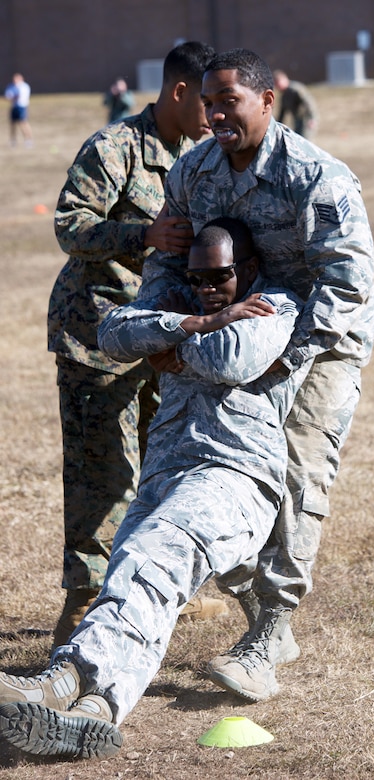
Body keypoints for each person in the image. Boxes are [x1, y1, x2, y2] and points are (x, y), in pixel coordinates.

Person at [0, 218, 313, 760]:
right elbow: (114, 332)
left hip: (234, 476)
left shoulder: (278, 304)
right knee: (140, 580)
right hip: (167, 474)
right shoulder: (194, 303)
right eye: (197, 279)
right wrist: (205, 318)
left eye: (221, 277)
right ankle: (98, 711)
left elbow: (231, 358)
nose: (207, 287)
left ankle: (65, 676)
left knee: (151, 557)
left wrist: (169, 342)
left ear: (251, 268)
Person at [138, 48, 374, 703]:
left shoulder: (316, 177)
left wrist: (282, 359)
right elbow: (171, 256)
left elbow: (346, 286)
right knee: (215, 471)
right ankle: (249, 603)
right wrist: (163, 326)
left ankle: (270, 635)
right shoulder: (193, 170)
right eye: (208, 102)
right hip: (228, 336)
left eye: (229, 101)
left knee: (297, 471)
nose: (214, 113)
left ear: (267, 101)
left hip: (319, 345)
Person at [48, 41, 227, 650]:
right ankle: (83, 601)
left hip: (162, 337)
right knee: (100, 472)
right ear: (177, 92)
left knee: (162, 466)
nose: (212, 111)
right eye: (203, 100)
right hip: (96, 333)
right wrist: (140, 233)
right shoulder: (115, 148)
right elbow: (69, 224)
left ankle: (151, 588)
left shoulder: (201, 156)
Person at [273, 68, 318, 138]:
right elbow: (282, 114)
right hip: (297, 121)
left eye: (278, 82)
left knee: (304, 142)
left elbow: (309, 103)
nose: (277, 86)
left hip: (306, 121)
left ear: (284, 79)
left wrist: (312, 118)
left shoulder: (295, 89)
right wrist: (275, 126)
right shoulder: (284, 96)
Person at [4, 73, 32, 147]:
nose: (15, 81)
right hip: (14, 107)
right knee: (12, 124)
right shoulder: (11, 86)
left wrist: (14, 96)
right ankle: (13, 141)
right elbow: (8, 96)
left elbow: (22, 97)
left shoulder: (24, 87)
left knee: (23, 123)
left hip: (22, 107)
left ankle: (28, 140)